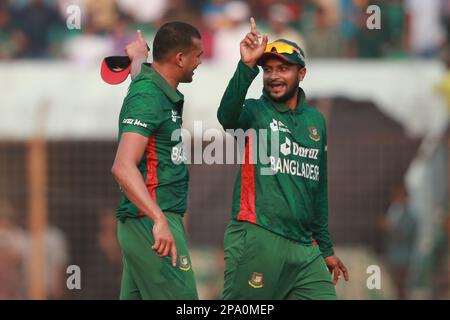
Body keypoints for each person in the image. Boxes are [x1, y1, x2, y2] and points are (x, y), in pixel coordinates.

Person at [217, 18, 348, 300]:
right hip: (258, 236)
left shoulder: (316, 121)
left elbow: (319, 188)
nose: (274, 76)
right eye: (268, 70)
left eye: (283, 69)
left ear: (301, 73)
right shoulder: (254, 111)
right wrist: (246, 67)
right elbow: (226, 117)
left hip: (304, 247)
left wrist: (325, 249)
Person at [111, 21, 203, 300]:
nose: (200, 62)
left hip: (146, 222)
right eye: (197, 55)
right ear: (180, 58)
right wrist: (158, 219)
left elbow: (141, 71)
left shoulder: (152, 85)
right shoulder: (148, 96)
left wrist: (138, 54)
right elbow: (122, 166)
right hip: (151, 221)